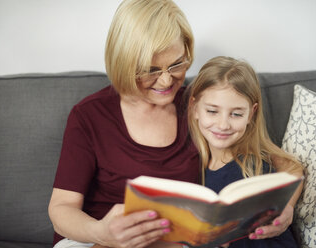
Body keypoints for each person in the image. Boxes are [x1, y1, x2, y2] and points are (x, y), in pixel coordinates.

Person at [48, 0, 302, 247]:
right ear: (124, 64)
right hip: (96, 239)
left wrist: (287, 210)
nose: (167, 81)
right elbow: (61, 209)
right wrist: (102, 232)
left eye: (176, 63)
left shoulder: (199, 108)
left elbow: (283, 164)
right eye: (151, 69)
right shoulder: (90, 115)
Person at [186, 56, 303, 247]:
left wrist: (288, 207)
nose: (223, 125)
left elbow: (293, 167)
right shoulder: (194, 162)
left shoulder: (253, 165)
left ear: (251, 113)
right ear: (195, 108)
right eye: (212, 111)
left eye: (236, 114)